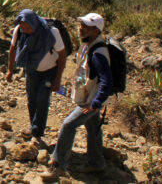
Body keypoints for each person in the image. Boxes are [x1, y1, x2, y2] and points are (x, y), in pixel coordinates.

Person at [41, 13, 113, 180]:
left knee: (68, 125)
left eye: (86, 27)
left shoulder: (98, 53)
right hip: (89, 98)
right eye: (81, 25)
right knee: (93, 128)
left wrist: (95, 103)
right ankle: (97, 163)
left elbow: (106, 81)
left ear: (96, 31)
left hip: (90, 101)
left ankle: (57, 166)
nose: (81, 28)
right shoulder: (90, 46)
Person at [6, 9, 67, 149]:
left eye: (28, 27)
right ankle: (34, 127)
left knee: (42, 100)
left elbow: (62, 55)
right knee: (31, 99)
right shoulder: (19, 30)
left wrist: (58, 79)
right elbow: (12, 49)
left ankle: (37, 132)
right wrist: (10, 70)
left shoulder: (51, 33)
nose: (25, 30)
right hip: (31, 69)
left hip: (49, 71)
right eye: (22, 26)